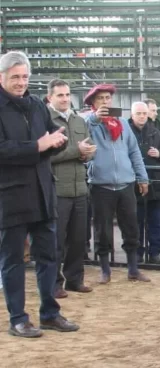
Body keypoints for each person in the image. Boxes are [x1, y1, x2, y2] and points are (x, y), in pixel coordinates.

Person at [0, 51, 79, 338]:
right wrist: (39, 145)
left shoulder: (36, 104)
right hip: (10, 196)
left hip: (44, 192)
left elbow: (49, 137)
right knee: (13, 261)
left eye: (24, 77)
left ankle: (50, 313)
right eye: (15, 77)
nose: (21, 82)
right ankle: (18, 319)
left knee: (49, 255)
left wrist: (59, 141)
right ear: (2, 77)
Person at [84, 84, 151, 284]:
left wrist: (142, 177)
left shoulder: (122, 123)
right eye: (101, 99)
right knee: (102, 230)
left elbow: (134, 152)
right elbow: (82, 130)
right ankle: (105, 270)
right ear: (93, 103)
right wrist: (95, 118)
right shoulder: (89, 121)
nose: (105, 102)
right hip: (101, 184)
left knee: (131, 227)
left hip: (125, 182)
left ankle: (133, 269)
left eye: (108, 98)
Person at [47, 78, 96, 298]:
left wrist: (87, 153)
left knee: (78, 240)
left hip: (80, 189)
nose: (65, 99)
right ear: (50, 97)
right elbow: (46, 156)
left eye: (67, 95)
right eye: (60, 95)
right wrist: (77, 152)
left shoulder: (78, 121)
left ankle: (75, 280)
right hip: (56, 190)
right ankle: (53, 283)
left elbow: (87, 147)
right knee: (55, 242)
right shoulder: (45, 120)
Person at [128, 101, 160, 264]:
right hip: (132, 182)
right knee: (135, 220)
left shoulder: (157, 130)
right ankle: (136, 252)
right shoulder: (125, 131)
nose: (142, 117)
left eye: (144, 113)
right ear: (132, 115)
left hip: (154, 180)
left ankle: (155, 252)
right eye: (138, 114)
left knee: (155, 220)